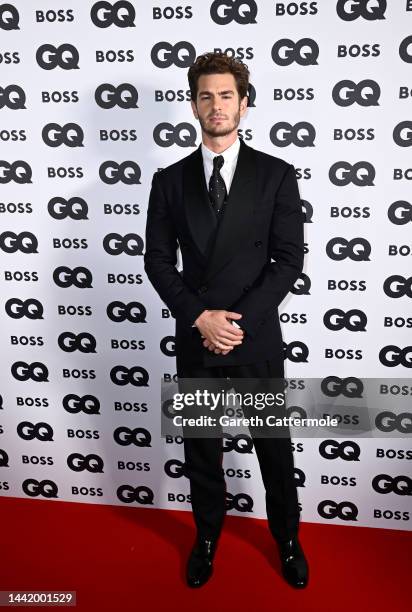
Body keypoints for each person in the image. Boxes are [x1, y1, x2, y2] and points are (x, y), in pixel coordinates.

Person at [144, 51, 308, 589]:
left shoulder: (277, 175)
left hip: (255, 337)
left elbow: (289, 259)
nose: (217, 105)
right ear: (194, 105)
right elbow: (158, 260)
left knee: (274, 450)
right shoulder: (169, 180)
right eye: (206, 96)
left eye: (226, 95)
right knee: (202, 451)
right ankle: (207, 536)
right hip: (197, 338)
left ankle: (287, 538)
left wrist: (235, 322)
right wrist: (201, 318)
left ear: (244, 102)